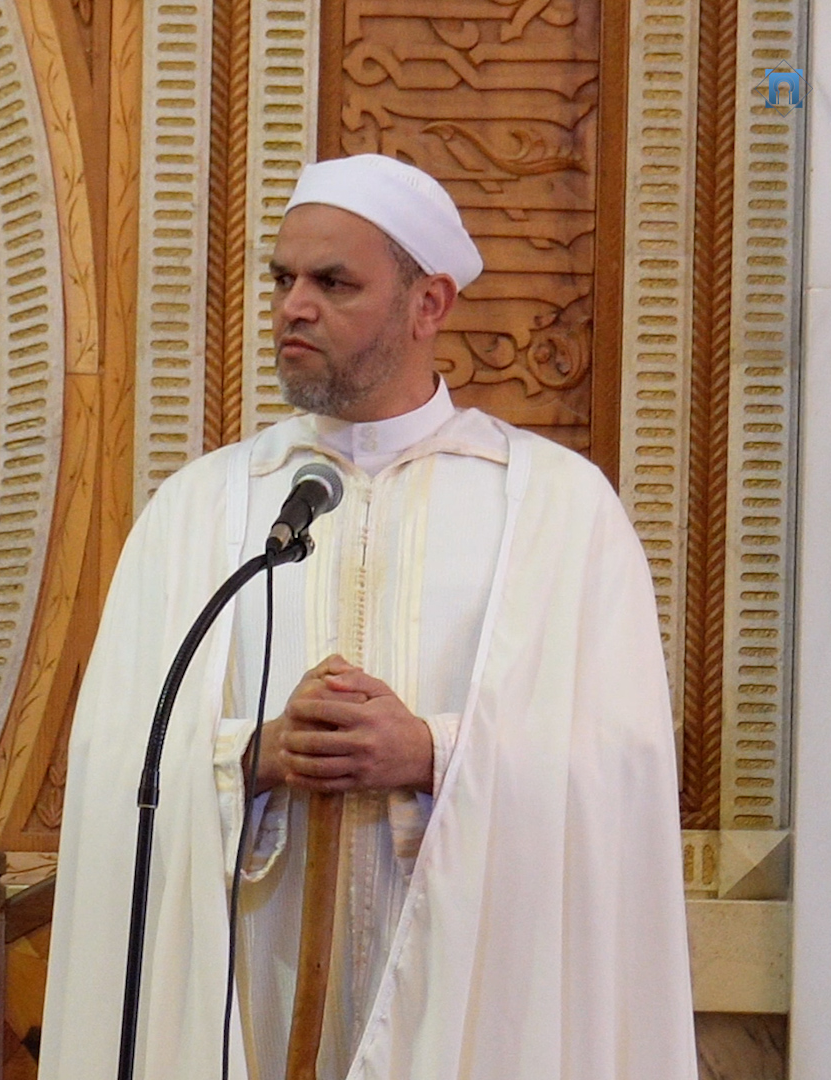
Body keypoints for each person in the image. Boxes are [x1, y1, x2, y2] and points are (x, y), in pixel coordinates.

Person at [38, 154, 696, 1080]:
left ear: (429, 304)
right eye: (282, 280)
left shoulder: (558, 509)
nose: (293, 308)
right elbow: (115, 760)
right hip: (249, 999)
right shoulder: (200, 510)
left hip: (473, 1009)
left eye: (333, 283)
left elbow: (620, 769)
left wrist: (428, 753)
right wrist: (259, 754)